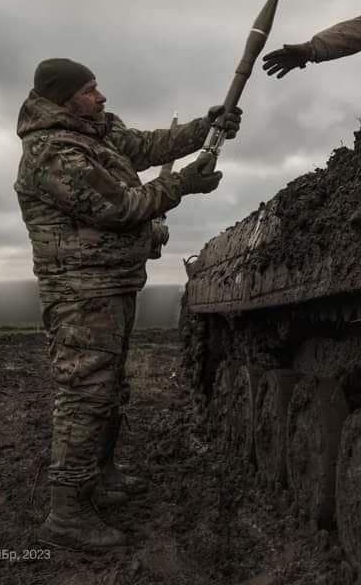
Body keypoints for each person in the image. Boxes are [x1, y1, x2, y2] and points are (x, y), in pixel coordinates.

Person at [13, 57, 240, 549]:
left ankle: (100, 474)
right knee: (85, 395)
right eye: (90, 90)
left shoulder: (95, 130)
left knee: (111, 387)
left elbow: (147, 146)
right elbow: (121, 206)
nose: (102, 97)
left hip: (111, 284)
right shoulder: (53, 152)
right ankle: (67, 513)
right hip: (80, 292)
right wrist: (183, 184)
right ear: (64, 99)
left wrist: (207, 126)